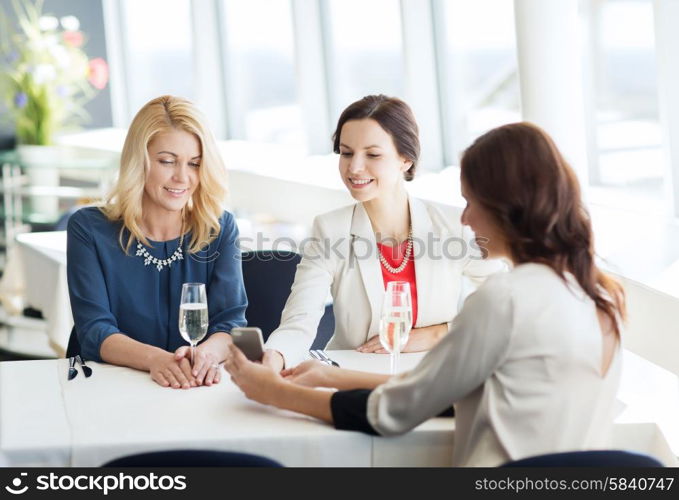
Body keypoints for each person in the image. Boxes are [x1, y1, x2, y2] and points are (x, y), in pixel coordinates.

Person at [225, 122, 625, 467]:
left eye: (471, 202)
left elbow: (396, 411)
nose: (466, 218)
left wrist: (276, 392)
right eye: (346, 153)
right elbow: (461, 392)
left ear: (509, 208)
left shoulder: (503, 298)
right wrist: (328, 375)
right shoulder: (599, 297)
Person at [264, 95, 502, 371]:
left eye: (373, 154)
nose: (354, 167)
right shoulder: (330, 230)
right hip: (353, 375)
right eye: (346, 152)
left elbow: (504, 302)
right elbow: (299, 321)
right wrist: (274, 357)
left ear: (406, 160)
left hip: (437, 373)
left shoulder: (452, 225)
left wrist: (437, 333)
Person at [67, 95, 247, 389]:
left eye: (194, 164)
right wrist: (155, 360)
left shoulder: (220, 227)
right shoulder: (88, 228)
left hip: (190, 386)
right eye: (167, 161)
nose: (182, 177)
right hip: (106, 386)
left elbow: (230, 324)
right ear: (140, 162)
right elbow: (94, 330)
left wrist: (206, 355)